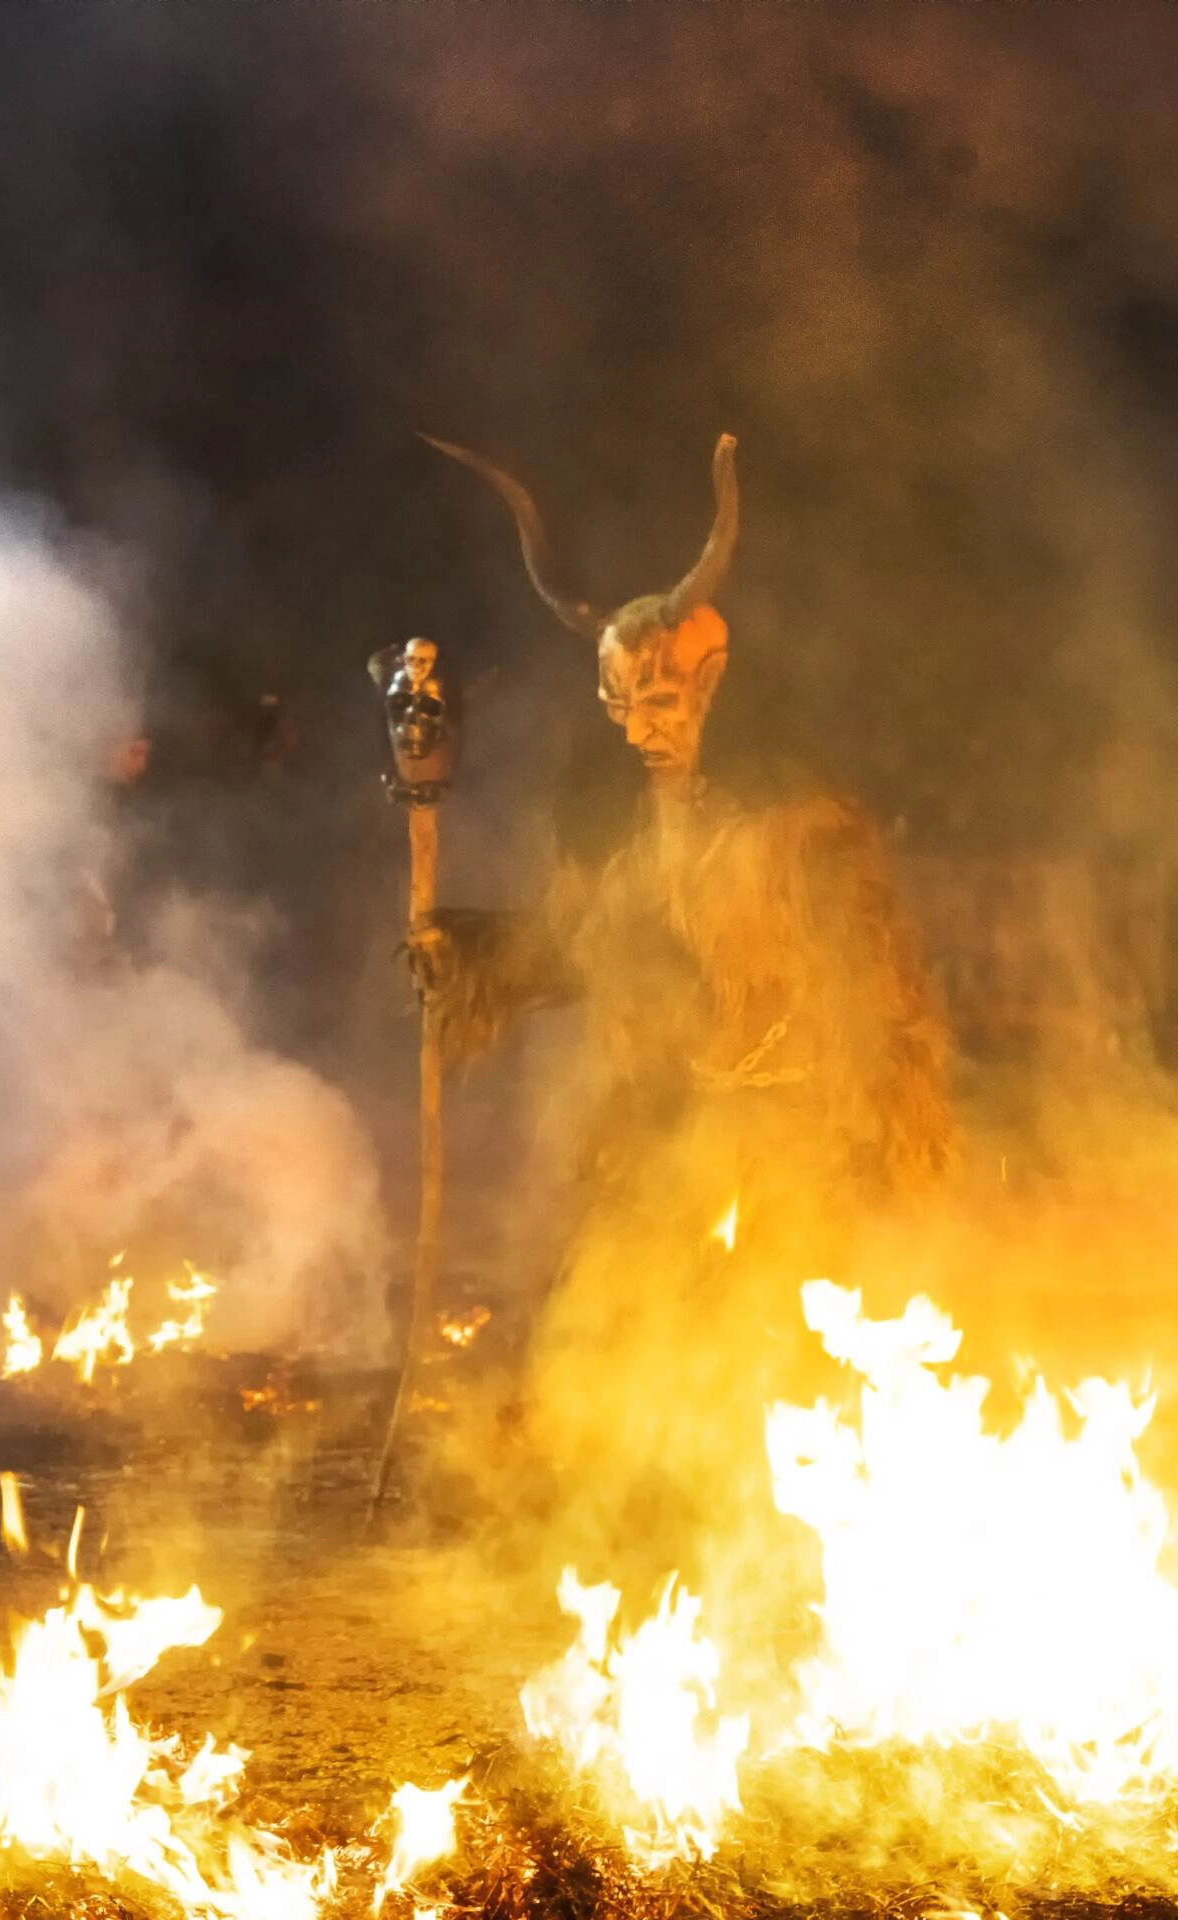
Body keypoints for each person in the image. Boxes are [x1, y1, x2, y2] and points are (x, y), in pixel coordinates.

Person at [418, 433, 952, 1583]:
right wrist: (464, 955)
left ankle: (803, 1544)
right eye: (617, 699)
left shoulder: (795, 828)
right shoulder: (628, 842)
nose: (637, 721)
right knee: (613, 1304)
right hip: (679, 1123)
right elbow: (584, 954)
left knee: (782, 1336)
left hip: (793, 1129)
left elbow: (878, 986)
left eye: (657, 694)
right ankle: (625, 1526)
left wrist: (880, 1116)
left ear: (707, 683)